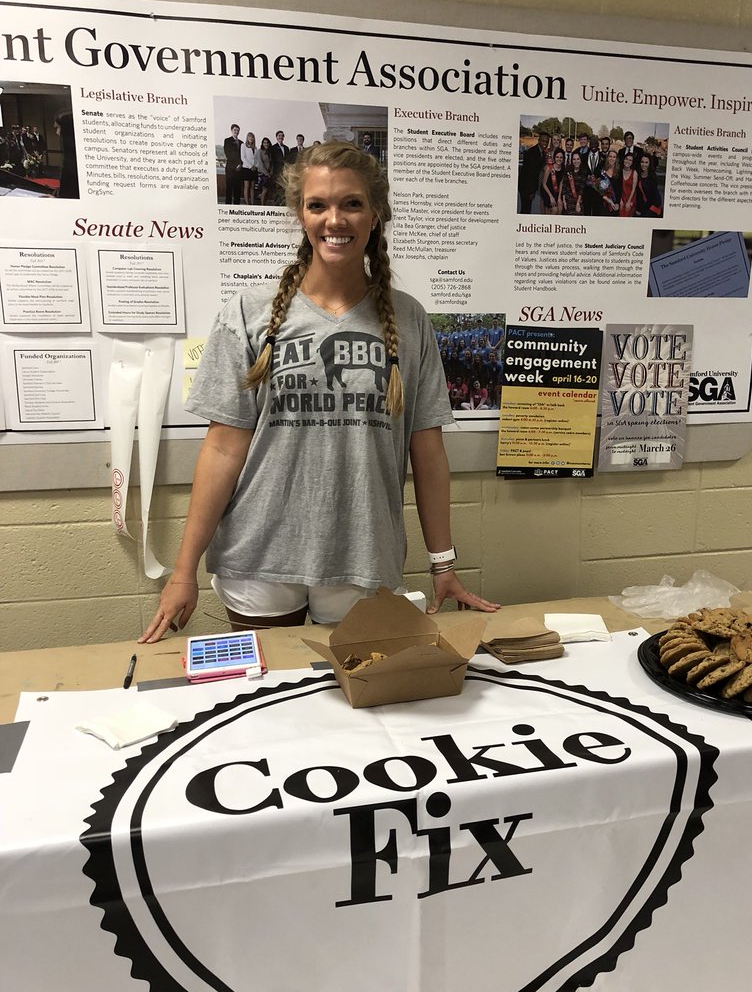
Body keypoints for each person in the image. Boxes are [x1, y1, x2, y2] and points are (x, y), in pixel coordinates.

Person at [139, 141, 499, 643]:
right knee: (269, 688)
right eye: (318, 205)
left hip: (362, 553)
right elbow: (222, 449)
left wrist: (443, 563)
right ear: (301, 215)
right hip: (259, 555)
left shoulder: (410, 319)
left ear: (375, 214)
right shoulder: (247, 312)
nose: (335, 219)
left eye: (352, 203)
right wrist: (183, 571)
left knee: (359, 689)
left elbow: (428, 452)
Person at [518, 132, 548, 214]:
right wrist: (531, 191)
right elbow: (529, 174)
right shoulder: (531, 152)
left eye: (547, 141)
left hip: (530, 187)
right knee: (525, 209)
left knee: (527, 209)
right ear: (539, 141)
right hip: (526, 187)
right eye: (543, 141)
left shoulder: (542, 152)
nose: (545, 143)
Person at [635, 153, 663, 218]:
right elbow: (639, 195)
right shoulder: (638, 174)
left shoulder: (652, 176)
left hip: (653, 206)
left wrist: (642, 211)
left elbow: (653, 198)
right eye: (642, 162)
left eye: (646, 162)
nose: (644, 164)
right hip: (644, 204)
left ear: (649, 163)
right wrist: (638, 208)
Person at [541, 148, 566, 214]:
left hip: (557, 191)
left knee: (560, 208)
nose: (559, 159)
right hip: (547, 190)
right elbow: (544, 184)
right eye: (557, 157)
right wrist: (551, 197)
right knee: (554, 210)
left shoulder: (563, 168)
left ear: (563, 159)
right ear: (554, 158)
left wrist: (559, 198)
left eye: (561, 157)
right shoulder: (549, 168)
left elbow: (561, 183)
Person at [223, 123, 243, 205]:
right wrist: (236, 165)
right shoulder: (227, 141)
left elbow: (243, 156)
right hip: (230, 169)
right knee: (229, 189)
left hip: (239, 169)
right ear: (231, 130)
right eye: (235, 130)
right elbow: (228, 154)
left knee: (237, 189)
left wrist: (240, 164)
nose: (236, 132)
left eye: (238, 130)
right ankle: (228, 206)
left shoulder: (242, 143)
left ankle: (236, 206)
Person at [599, 152, 620, 216]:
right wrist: (607, 199)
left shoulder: (619, 172)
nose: (612, 158)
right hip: (603, 204)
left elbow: (620, 189)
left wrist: (617, 203)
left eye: (614, 157)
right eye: (610, 156)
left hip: (614, 205)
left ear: (616, 159)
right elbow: (599, 188)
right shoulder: (602, 172)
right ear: (607, 158)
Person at [240, 131, 258, 205]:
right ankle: (247, 204)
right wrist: (250, 166)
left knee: (252, 187)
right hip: (246, 168)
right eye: (249, 136)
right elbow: (243, 158)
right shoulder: (243, 145)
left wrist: (255, 166)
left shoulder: (255, 148)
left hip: (254, 169)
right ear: (247, 138)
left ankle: (252, 203)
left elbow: (256, 158)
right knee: (247, 186)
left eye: (252, 137)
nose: (251, 138)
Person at [618, 152, 638, 217]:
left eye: (630, 160)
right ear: (623, 160)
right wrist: (620, 199)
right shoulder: (619, 171)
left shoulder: (634, 173)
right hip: (621, 197)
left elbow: (633, 189)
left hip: (630, 198)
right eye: (626, 159)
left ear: (632, 162)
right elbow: (617, 187)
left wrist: (629, 202)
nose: (628, 161)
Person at [256, 136, 274, 206]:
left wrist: (271, 172)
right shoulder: (260, 151)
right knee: (264, 189)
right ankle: (262, 205)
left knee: (267, 190)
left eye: (267, 143)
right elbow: (260, 164)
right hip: (262, 173)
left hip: (269, 174)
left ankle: (265, 204)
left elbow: (271, 163)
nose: (266, 144)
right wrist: (266, 173)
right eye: (264, 143)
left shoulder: (269, 152)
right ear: (262, 144)